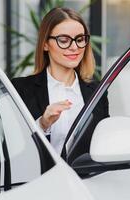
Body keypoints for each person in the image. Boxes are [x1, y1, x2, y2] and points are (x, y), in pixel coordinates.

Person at [12, 7, 109, 160]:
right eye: (63, 40)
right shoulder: (20, 90)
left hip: (85, 182)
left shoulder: (97, 92)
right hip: (39, 182)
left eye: (80, 39)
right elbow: (11, 148)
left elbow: (105, 147)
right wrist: (43, 124)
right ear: (45, 44)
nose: (74, 47)